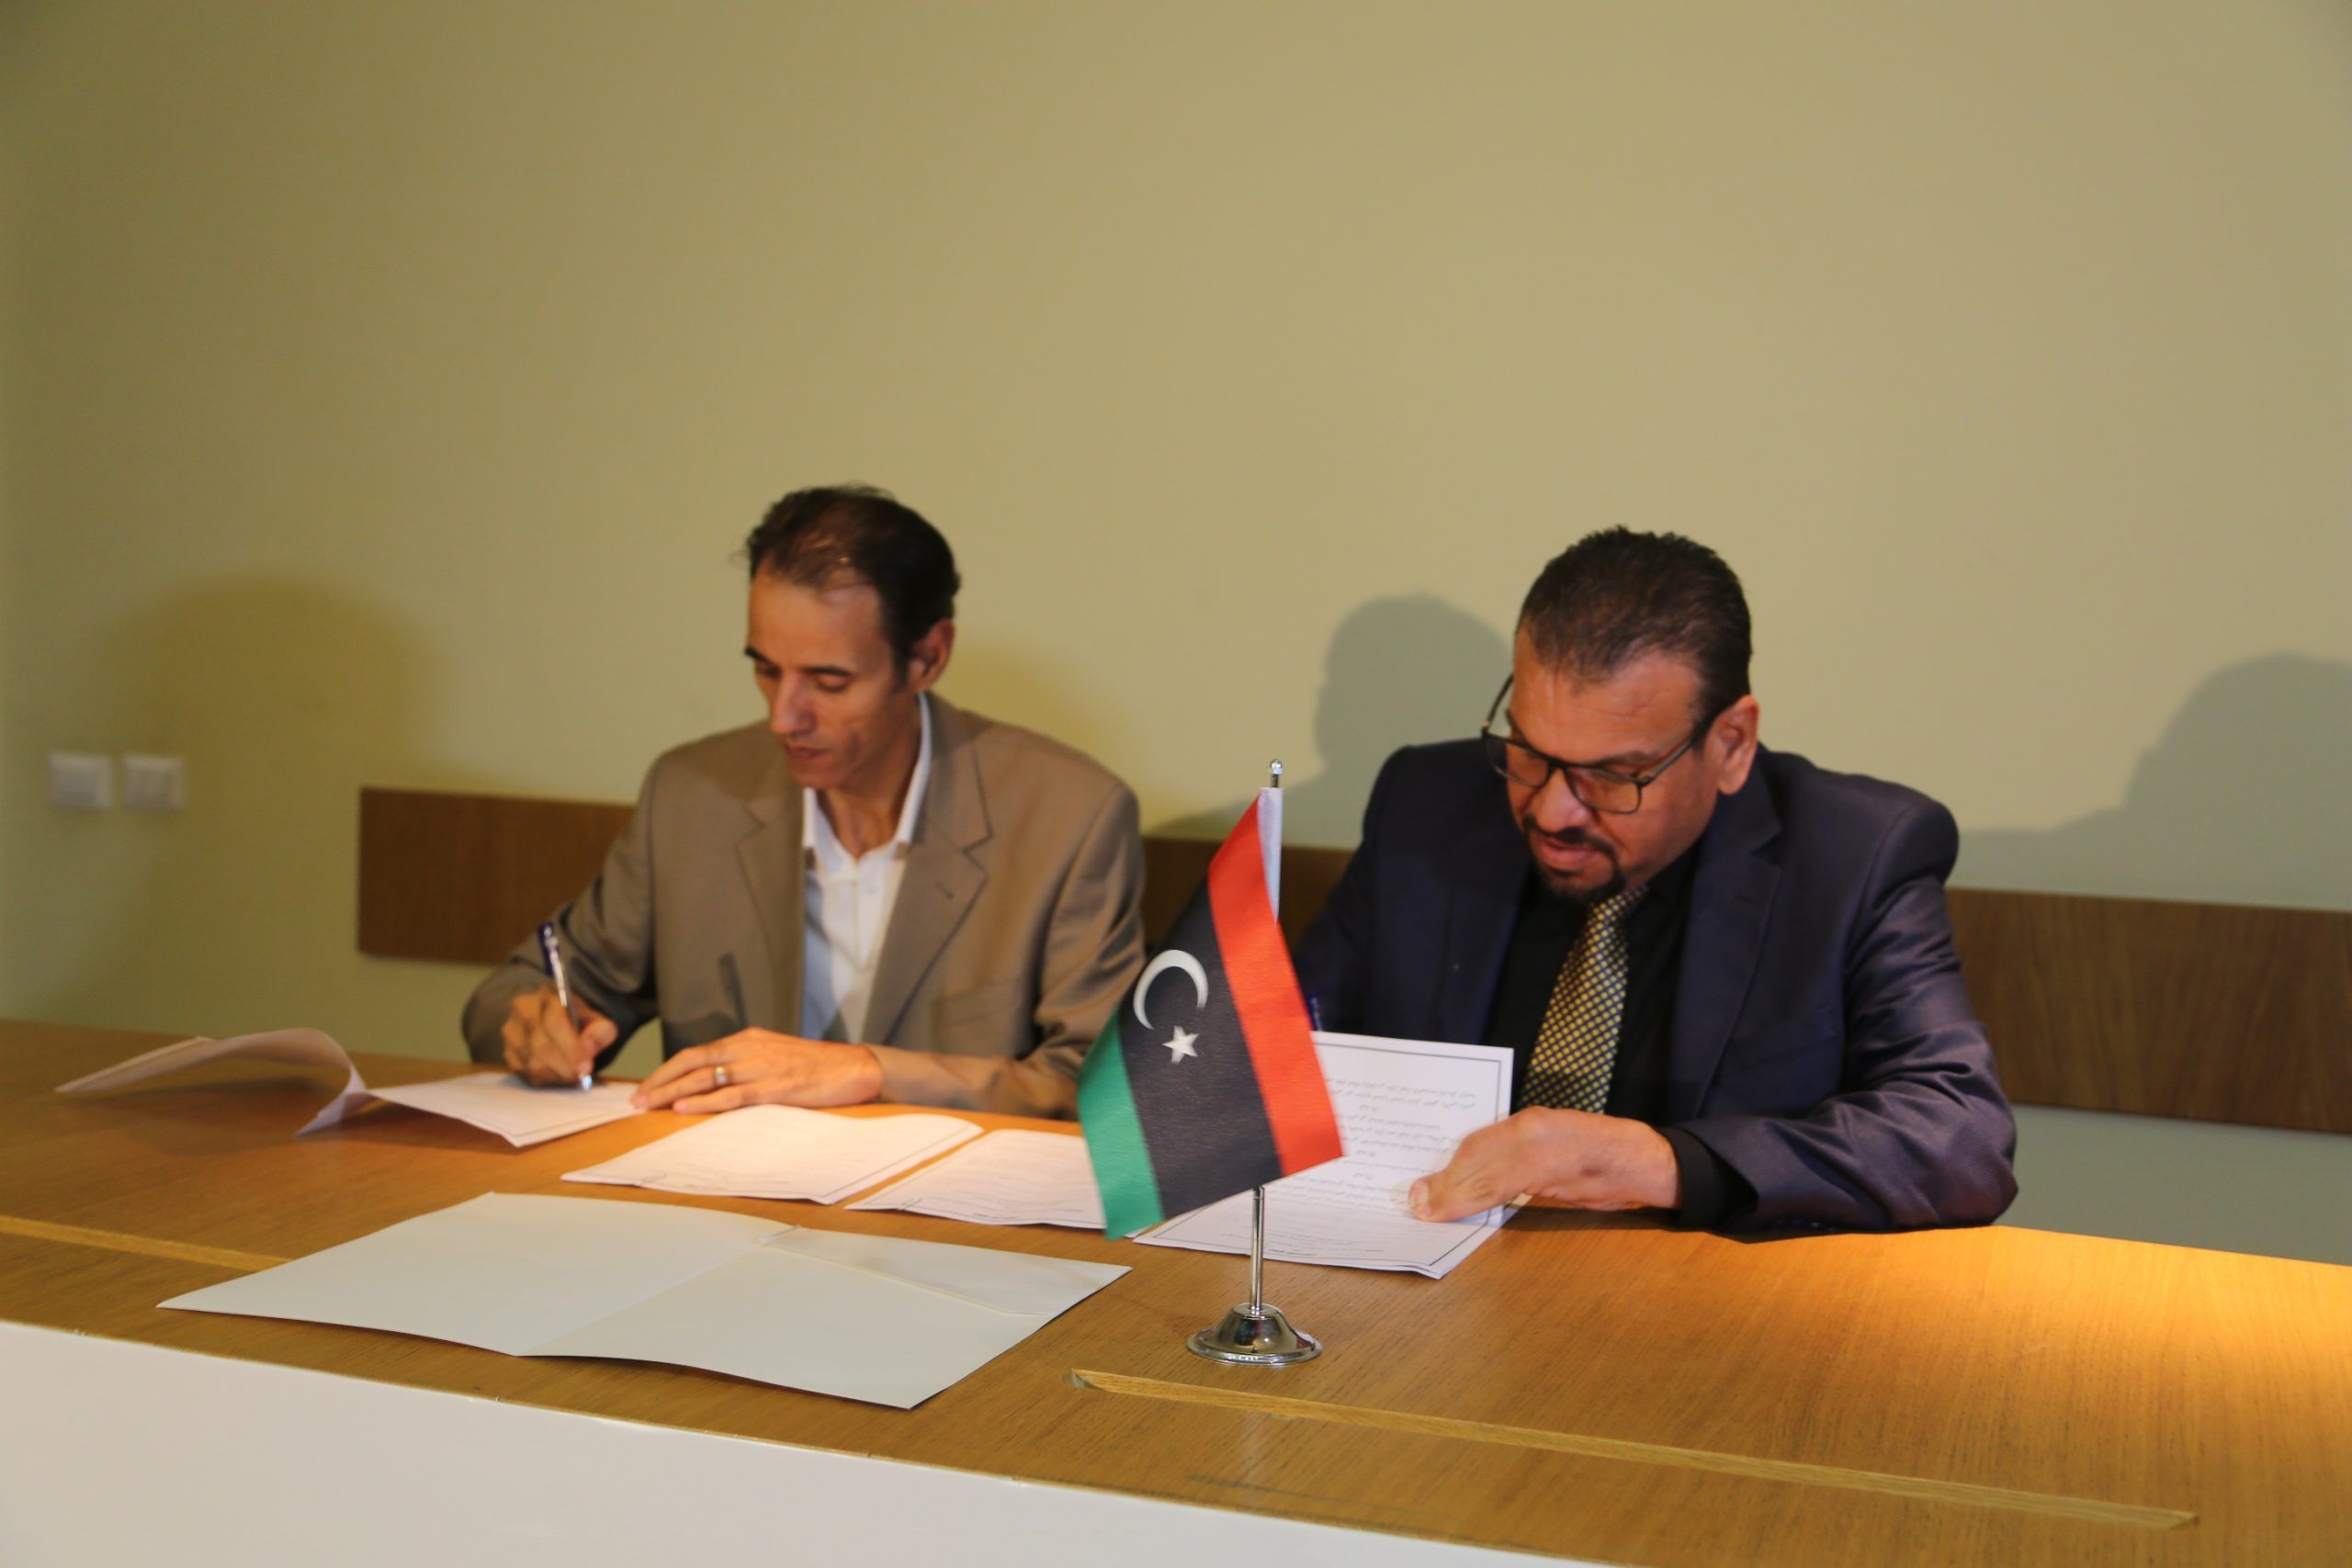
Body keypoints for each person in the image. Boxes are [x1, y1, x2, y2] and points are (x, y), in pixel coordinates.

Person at [1294, 529, 2016, 1230]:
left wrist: (1661, 1162)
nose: (1552, 809)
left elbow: (1960, 1136)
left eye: (1613, 774)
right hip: (1431, 1275)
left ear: (1730, 743)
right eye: (1528, 749)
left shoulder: (1853, 856)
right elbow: (1282, 1041)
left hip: (1697, 1298)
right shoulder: (1426, 806)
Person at [461, 485, 1144, 1118]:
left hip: (954, 1203)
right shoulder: (691, 796)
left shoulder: (1069, 817)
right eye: (766, 669)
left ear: (928, 658)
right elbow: (513, 996)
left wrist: (871, 1071)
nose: (784, 717)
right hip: (715, 1191)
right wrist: (536, 1028)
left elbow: (1102, 1083)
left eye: (828, 681)